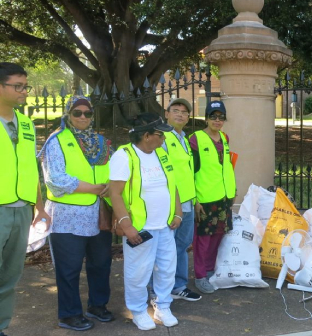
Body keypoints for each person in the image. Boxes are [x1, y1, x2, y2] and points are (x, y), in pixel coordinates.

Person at [39, 95, 114, 331]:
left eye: (87, 113)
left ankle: (97, 305)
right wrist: (95, 188)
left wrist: (111, 187)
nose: (83, 117)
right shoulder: (56, 141)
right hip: (67, 216)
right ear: (68, 114)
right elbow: (56, 180)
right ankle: (69, 314)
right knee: (69, 267)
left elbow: (115, 171)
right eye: (77, 113)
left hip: (98, 213)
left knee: (101, 262)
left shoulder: (102, 142)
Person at [109, 113, 183, 331]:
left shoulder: (161, 154)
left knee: (167, 269)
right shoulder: (125, 156)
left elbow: (172, 186)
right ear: (147, 136)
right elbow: (115, 193)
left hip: (164, 226)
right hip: (141, 229)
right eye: (160, 135)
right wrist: (127, 226)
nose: (164, 139)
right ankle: (139, 310)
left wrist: (177, 213)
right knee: (138, 273)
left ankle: (163, 306)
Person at [0, 62, 50, 336]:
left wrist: (39, 206)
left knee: (9, 275)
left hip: (22, 210)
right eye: (17, 86)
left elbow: (30, 168)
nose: (24, 92)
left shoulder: (27, 123)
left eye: (25, 86)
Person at [189, 101, 236, 294]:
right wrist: (195, 200)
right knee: (202, 239)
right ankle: (200, 275)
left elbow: (226, 166)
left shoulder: (224, 138)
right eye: (213, 116)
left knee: (218, 234)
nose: (217, 120)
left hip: (223, 197)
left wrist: (232, 190)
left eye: (221, 117)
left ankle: (209, 269)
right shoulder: (195, 139)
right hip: (204, 198)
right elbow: (189, 172)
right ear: (206, 118)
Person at [158, 98, 201, 301]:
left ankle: (178, 285)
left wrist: (195, 200)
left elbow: (187, 173)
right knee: (167, 247)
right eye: (175, 110)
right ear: (167, 114)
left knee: (182, 245)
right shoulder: (163, 138)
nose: (180, 115)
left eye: (184, 112)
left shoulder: (184, 138)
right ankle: (161, 288)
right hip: (171, 204)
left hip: (188, 202)